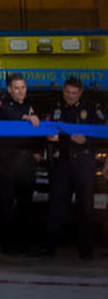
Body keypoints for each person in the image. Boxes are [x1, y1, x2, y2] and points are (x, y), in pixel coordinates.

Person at [39, 76, 105, 259]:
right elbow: (44, 130)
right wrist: (48, 137)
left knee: (85, 206)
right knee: (56, 206)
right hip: (62, 163)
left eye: (74, 93)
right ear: (63, 90)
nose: (70, 96)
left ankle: (86, 250)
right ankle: (49, 247)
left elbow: (103, 135)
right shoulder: (56, 108)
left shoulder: (92, 110)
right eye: (67, 92)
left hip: (83, 163)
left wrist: (87, 140)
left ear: (81, 92)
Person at [0, 72, 41, 255]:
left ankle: (24, 244)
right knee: (7, 205)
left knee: (25, 205)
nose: (21, 91)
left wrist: (37, 152)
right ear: (9, 89)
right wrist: (26, 118)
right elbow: (5, 113)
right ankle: (7, 245)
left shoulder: (30, 107)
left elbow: (38, 132)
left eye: (23, 88)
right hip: (7, 164)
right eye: (17, 88)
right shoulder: (0, 104)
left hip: (26, 164)